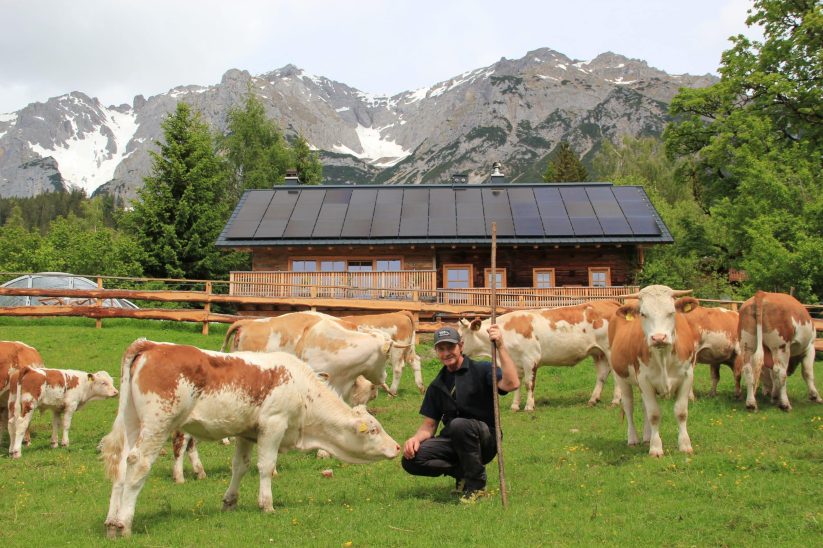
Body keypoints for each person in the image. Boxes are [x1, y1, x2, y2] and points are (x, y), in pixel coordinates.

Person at [401, 324, 519, 499]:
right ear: (436, 351)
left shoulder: (482, 369)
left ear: (461, 346)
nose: (446, 352)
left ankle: (477, 487)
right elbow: (429, 425)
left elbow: (512, 384)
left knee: (459, 425)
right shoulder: (437, 384)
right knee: (411, 460)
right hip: (454, 440)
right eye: (441, 349)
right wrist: (415, 440)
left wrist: (500, 346)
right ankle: (464, 472)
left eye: (451, 347)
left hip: (485, 440)